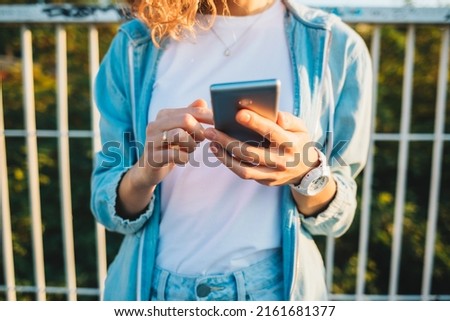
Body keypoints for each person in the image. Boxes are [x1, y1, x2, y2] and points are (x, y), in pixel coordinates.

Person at [91, 0, 372, 301]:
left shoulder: (336, 47)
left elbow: (338, 216)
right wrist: (143, 173)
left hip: (273, 290)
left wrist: (306, 172)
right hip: (152, 290)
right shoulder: (137, 43)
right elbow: (106, 203)